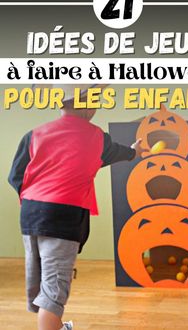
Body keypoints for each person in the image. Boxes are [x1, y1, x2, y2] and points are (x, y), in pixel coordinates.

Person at [8, 84, 147, 330]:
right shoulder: (96, 137)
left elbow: (15, 175)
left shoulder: (34, 134)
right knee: (54, 289)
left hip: (30, 214)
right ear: (86, 105)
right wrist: (134, 152)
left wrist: (36, 201)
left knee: (41, 279)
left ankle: (57, 325)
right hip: (63, 216)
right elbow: (115, 153)